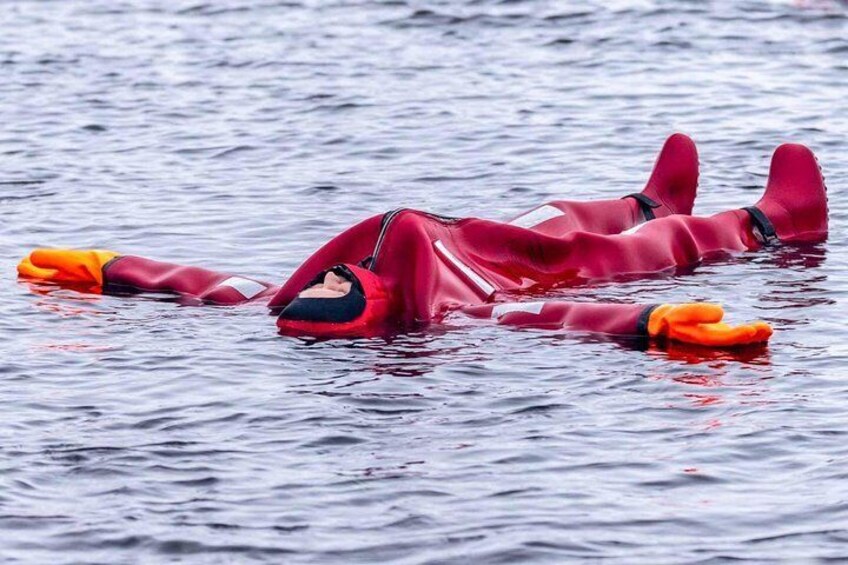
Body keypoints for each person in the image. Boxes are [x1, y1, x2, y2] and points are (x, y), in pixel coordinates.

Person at [17, 135, 828, 347]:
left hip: (481, 239)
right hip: (504, 278)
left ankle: (646, 197)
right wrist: (656, 323)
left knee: (555, 224)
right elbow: (565, 318)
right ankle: (775, 221)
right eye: (345, 286)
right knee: (607, 254)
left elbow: (196, 282)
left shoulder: (275, 301)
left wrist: (101, 266)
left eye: (332, 279)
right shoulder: (458, 321)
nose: (344, 274)